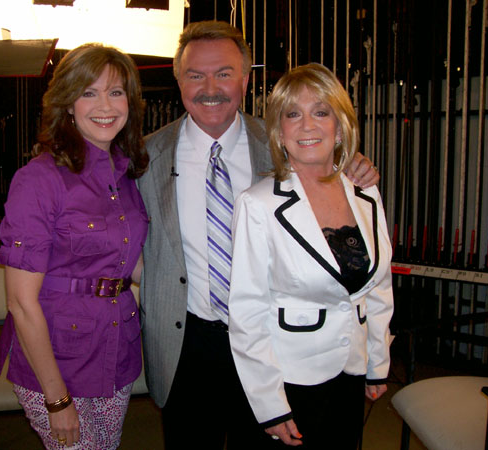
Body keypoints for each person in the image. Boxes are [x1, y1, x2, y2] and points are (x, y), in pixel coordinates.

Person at [138, 20, 381, 449]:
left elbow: (327, 166)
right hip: (185, 343)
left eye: (224, 73)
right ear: (178, 81)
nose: (210, 88)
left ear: (246, 80)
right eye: (195, 75)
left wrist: (352, 164)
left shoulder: (280, 144)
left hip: (274, 345)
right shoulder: (144, 158)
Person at [227, 63, 394, 449]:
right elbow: (247, 312)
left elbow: (378, 285)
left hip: (350, 370)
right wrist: (270, 406)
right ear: (279, 131)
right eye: (293, 114)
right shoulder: (258, 204)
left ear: (340, 125)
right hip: (290, 379)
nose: (307, 125)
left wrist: (377, 361)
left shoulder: (366, 193)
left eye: (320, 112)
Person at [0, 43, 148, 449]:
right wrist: (57, 399)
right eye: (89, 92)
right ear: (67, 104)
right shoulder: (39, 179)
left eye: (116, 92)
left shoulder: (127, 174)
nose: (105, 106)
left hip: (116, 348)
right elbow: (20, 303)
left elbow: (131, 262)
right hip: (57, 361)